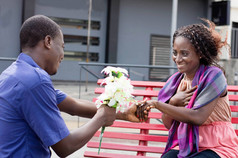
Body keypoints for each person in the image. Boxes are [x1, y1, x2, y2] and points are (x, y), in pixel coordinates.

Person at [0, 15, 145, 158]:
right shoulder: (35, 81)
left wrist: (122, 113)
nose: (62, 55)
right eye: (62, 46)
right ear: (48, 41)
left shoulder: (12, 74)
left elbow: (74, 106)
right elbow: (66, 146)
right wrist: (101, 118)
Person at [144, 19, 238, 158]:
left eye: (185, 53)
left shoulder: (214, 76)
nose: (178, 58)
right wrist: (173, 103)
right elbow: (168, 124)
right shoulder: (176, 81)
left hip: (218, 145)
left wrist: (158, 104)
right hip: (189, 143)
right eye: (175, 52)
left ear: (200, 53)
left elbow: (198, 117)